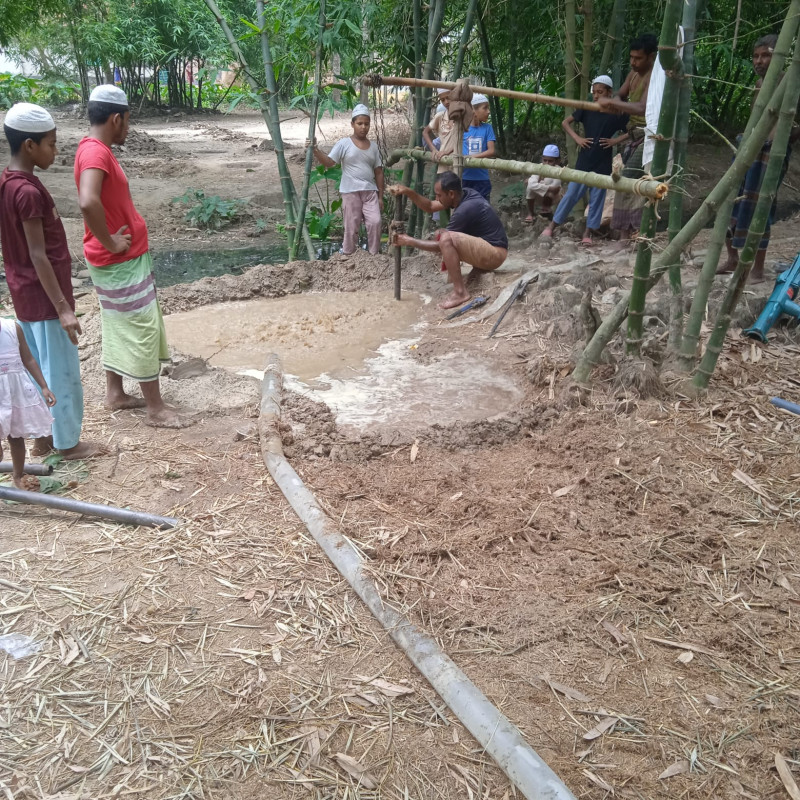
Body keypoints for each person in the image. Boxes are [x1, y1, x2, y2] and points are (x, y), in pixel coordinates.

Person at [75, 85, 191, 428]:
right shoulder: (96, 154)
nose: (129, 127)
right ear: (115, 118)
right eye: (127, 121)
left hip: (114, 260)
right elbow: (87, 200)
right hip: (118, 261)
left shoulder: (92, 149)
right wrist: (111, 241)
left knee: (116, 322)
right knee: (140, 326)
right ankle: (155, 408)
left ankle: (115, 393)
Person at [0, 102, 104, 460]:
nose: (56, 152)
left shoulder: (8, 183)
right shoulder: (27, 193)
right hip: (46, 299)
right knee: (61, 372)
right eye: (51, 144)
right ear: (29, 146)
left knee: (37, 368)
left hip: (25, 293)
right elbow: (38, 254)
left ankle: (42, 437)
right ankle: (69, 443)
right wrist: (63, 308)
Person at [718, 34, 797, 283]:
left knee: (761, 207)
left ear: (780, 58)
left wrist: (783, 138)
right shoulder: (759, 85)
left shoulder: (790, 84)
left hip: (771, 154)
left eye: (766, 56)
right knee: (727, 200)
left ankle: (758, 269)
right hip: (749, 149)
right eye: (756, 56)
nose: (759, 61)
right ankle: (732, 258)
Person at [389, 171, 508, 309]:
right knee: (441, 233)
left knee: (445, 239)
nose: (437, 198)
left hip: (495, 255)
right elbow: (430, 206)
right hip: (491, 248)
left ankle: (460, 292)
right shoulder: (464, 194)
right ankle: (458, 279)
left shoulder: (465, 209)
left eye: (439, 195)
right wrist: (409, 192)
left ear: (451, 194)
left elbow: (440, 246)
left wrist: (409, 241)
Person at [541, 77, 629, 245]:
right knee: (572, 194)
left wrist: (614, 141)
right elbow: (566, 122)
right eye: (594, 92)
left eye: (600, 92)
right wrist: (578, 138)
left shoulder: (617, 113)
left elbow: (631, 131)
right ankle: (552, 226)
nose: (596, 96)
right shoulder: (587, 109)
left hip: (603, 160)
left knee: (597, 198)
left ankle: (588, 234)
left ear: (609, 93)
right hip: (584, 159)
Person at [596, 33, 657, 243]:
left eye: (638, 58)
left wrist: (613, 104)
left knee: (630, 179)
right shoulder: (633, 74)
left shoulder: (656, 76)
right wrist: (614, 102)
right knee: (623, 179)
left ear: (651, 57)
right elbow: (620, 95)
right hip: (633, 135)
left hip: (650, 136)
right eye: (631, 57)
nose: (633, 62)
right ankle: (625, 235)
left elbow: (642, 107)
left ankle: (633, 235)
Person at [307, 104, 384, 255]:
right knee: (351, 225)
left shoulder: (374, 147)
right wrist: (315, 150)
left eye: (366, 124)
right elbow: (330, 162)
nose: (363, 127)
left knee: (375, 222)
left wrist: (381, 197)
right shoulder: (344, 144)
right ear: (352, 124)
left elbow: (379, 172)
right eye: (359, 123)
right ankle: (348, 255)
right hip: (350, 191)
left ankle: (375, 255)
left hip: (370, 192)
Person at [0, 318, 56, 490]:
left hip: (15, 392)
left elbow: (29, 359)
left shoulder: (12, 328)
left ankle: (17, 475)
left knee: (16, 437)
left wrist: (44, 386)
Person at [461, 94, 496, 200]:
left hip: (482, 178)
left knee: (483, 209)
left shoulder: (487, 128)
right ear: (473, 110)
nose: (488, 111)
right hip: (464, 177)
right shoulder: (462, 128)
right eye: (485, 108)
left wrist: (471, 158)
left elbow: (491, 151)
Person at [524, 144, 563, 221]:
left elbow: (555, 188)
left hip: (553, 198)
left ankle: (550, 211)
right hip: (541, 195)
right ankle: (531, 213)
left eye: (550, 161)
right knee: (529, 188)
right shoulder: (539, 167)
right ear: (542, 159)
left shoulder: (559, 171)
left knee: (549, 189)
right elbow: (531, 185)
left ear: (557, 161)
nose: (547, 163)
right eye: (545, 160)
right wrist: (548, 188)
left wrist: (539, 183)